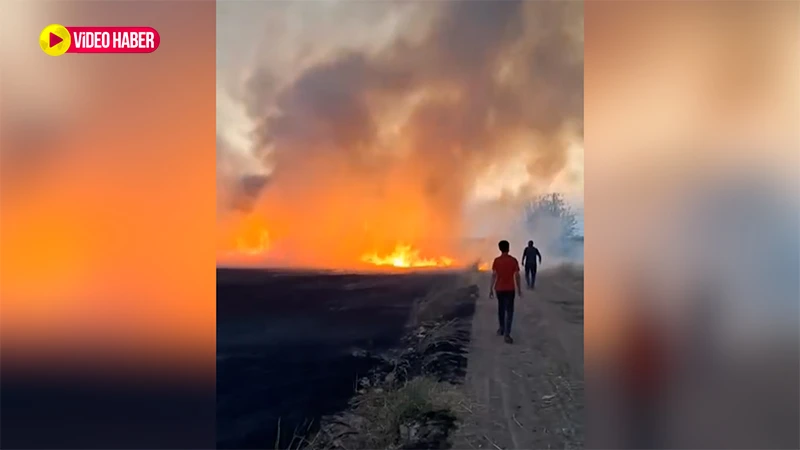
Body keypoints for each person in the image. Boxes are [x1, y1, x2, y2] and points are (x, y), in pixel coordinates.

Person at [489, 240, 523, 344]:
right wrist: (519, 289)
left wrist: (490, 288)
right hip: (510, 289)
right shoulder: (513, 260)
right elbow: (517, 275)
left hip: (499, 288)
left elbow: (494, 275)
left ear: (500, 248)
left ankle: (501, 329)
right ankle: (507, 334)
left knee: (501, 309)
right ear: (508, 248)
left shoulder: (496, 261)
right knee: (510, 311)